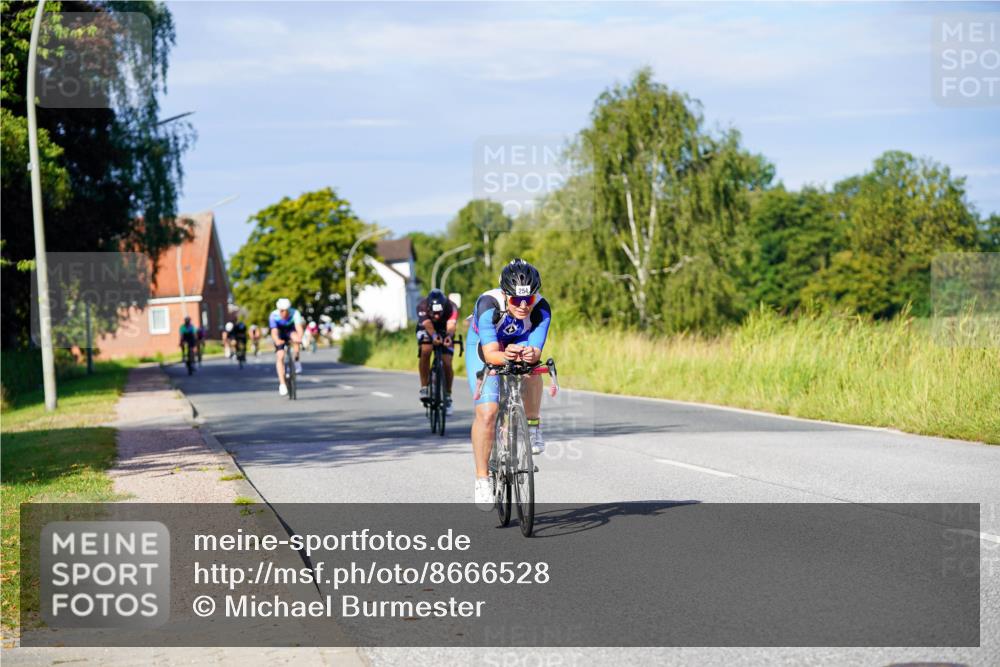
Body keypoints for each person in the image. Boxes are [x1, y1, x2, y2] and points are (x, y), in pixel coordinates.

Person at [465, 259, 551, 509]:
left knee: (533, 369)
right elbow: (491, 354)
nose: (524, 306)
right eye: (516, 300)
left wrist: (527, 355)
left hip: (519, 341)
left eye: (529, 299)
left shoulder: (542, 308)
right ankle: (482, 478)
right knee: (488, 412)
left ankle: (532, 427)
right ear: (505, 295)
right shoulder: (487, 305)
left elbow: (535, 349)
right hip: (483, 346)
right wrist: (506, 355)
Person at [415, 288, 459, 415]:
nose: (436, 316)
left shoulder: (452, 307)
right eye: (433, 313)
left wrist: (449, 337)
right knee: (426, 350)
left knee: (447, 362)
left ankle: (448, 395)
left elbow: (451, 326)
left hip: (444, 328)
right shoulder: (422, 305)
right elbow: (428, 324)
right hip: (426, 327)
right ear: (428, 307)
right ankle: (424, 387)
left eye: (439, 313)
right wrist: (434, 336)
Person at [269, 297, 305, 396]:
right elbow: (274, 331)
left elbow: (299, 327)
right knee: (280, 356)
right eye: (282, 311)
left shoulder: (295, 313)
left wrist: (299, 338)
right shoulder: (274, 315)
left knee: (296, 337)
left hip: (290, 331)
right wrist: (277, 340)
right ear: (279, 310)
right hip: (279, 333)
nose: (284, 313)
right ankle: (282, 384)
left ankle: (296, 360)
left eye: (286, 311)